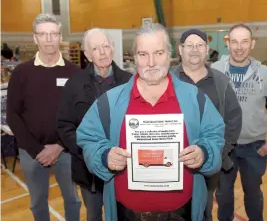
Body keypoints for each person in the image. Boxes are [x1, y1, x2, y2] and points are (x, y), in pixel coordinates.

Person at [76, 23, 225, 221]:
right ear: (135, 58)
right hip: (127, 213)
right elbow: (88, 138)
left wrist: (204, 153)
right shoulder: (109, 102)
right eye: (143, 54)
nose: (151, 62)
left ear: (170, 55)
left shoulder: (195, 98)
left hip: (182, 212)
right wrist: (104, 156)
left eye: (159, 52)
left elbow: (215, 135)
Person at [212, 23, 267, 221]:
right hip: (224, 146)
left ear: (252, 43)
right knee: (223, 195)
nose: (239, 47)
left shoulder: (264, 73)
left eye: (244, 41)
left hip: (254, 148)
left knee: (253, 194)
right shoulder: (215, 71)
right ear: (228, 44)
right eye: (235, 42)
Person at [6, 13, 81, 221]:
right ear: (35, 38)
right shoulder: (21, 73)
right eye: (43, 34)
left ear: (60, 37)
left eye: (53, 34)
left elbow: (79, 114)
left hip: (65, 150)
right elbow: (13, 115)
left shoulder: (74, 72)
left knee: (73, 200)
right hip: (31, 152)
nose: (49, 39)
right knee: (38, 202)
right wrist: (37, 150)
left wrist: (59, 146)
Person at [56, 28, 132, 221]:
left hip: (123, 167)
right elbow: (64, 125)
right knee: (94, 216)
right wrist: (87, 152)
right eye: (96, 48)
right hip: (87, 170)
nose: (103, 52)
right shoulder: (74, 84)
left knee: (123, 215)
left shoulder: (129, 81)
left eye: (106, 46)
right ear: (88, 55)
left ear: (113, 48)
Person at [174, 29, 242, 221]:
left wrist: (217, 152)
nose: (194, 50)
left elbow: (233, 118)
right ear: (180, 49)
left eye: (199, 46)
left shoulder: (221, 82)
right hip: (175, 162)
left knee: (203, 211)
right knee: (176, 211)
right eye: (189, 46)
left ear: (207, 50)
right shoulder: (168, 80)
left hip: (208, 163)